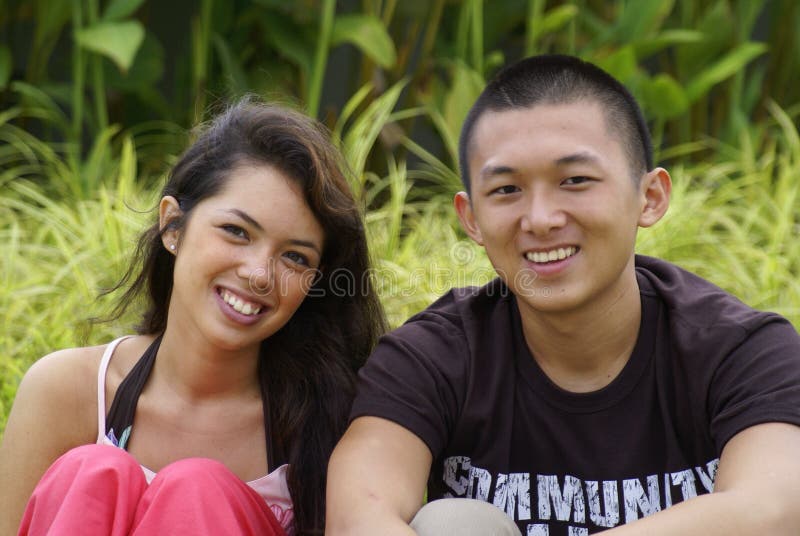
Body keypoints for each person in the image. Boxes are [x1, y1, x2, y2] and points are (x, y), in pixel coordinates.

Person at [325, 54, 800, 535]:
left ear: (650, 197)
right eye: (507, 189)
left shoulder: (741, 351)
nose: (540, 219)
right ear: (471, 219)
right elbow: (358, 515)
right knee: (455, 524)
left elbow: (774, 508)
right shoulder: (433, 357)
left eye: (574, 181)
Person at [0, 99, 386, 535]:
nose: (259, 274)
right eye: (236, 231)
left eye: (294, 257)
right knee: (94, 474)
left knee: (197, 489)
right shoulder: (69, 392)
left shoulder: (327, 422)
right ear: (172, 227)